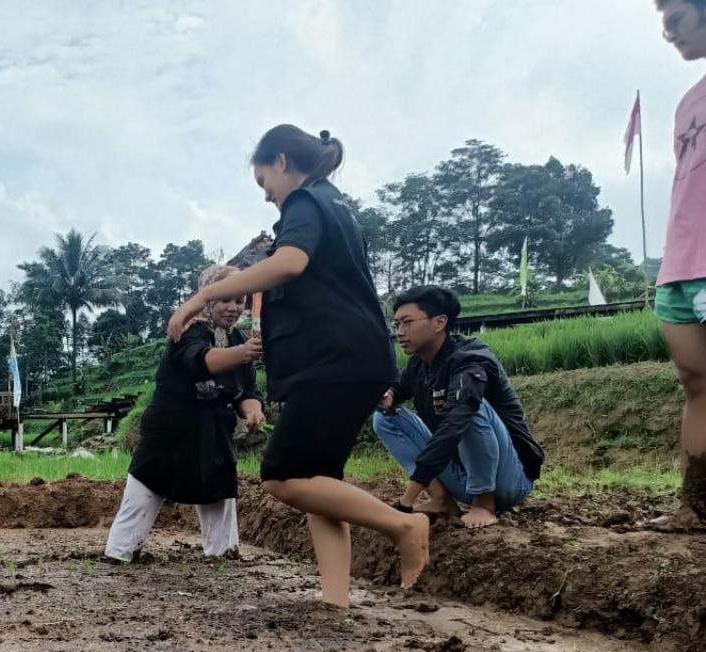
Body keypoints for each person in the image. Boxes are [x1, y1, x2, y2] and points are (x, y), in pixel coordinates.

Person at [167, 124, 429, 607]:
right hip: (357, 357)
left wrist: (203, 295)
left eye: (264, 181)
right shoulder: (333, 204)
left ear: (282, 161)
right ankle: (335, 600)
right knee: (318, 479)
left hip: (335, 360)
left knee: (283, 475)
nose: (266, 195)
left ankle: (403, 525)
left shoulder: (306, 202)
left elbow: (289, 263)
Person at [105, 265, 264, 563]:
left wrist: (253, 411)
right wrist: (245, 353)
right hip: (171, 431)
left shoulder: (238, 340)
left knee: (219, 491)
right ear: (208, 299)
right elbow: (203, 362)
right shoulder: (186, 330)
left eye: (239, 301)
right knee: (145, 490)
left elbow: (247, 392)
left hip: (214, 434)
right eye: (225, 299)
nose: (233, 308)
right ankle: (120, 552)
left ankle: (223, 555)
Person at [375, 285, 545, 528]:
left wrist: (407, 500)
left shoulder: (471, 359)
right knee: (384, 416)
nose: (400, 332)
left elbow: (458, 418)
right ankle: (441, 500)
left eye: (407, 322)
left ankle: (484, 502)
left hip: (509, 480)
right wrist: (390, 394)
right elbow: (399, 386)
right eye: (397, 324)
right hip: (461, 477)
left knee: (469, 407)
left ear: (439, 322)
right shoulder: (419, 364)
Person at [649, 0, 706, 530]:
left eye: (675, 21)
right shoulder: (688, 101)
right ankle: (694, 506)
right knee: (695, 381)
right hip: (682, 262)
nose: (668, 35)